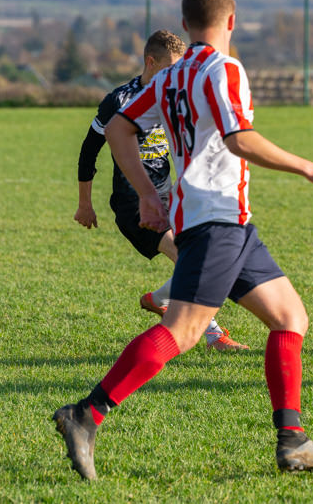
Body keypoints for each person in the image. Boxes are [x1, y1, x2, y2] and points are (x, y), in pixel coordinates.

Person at [53, 0, 313, 480]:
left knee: (289, 317)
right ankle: (86, 415)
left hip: (224, 221)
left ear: (187, 24)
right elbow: (240, 140)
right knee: (183, 331)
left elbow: (120, 128)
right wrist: (311, 168)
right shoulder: (224, 68)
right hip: (216, 222)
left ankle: (292, 440)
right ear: (231, 22)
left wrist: (149, 195)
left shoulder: (169, 77)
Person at [74, 29, 247, 352]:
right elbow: (88, 150)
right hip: (134, 204)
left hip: (172, 199)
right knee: (190, 260)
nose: (176, 75)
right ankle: (213, 336)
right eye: (170, 68)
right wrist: (85, 204)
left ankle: (158, 299)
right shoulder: (120, 100)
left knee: (207, 258)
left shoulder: (172, 97)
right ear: (150, 62)